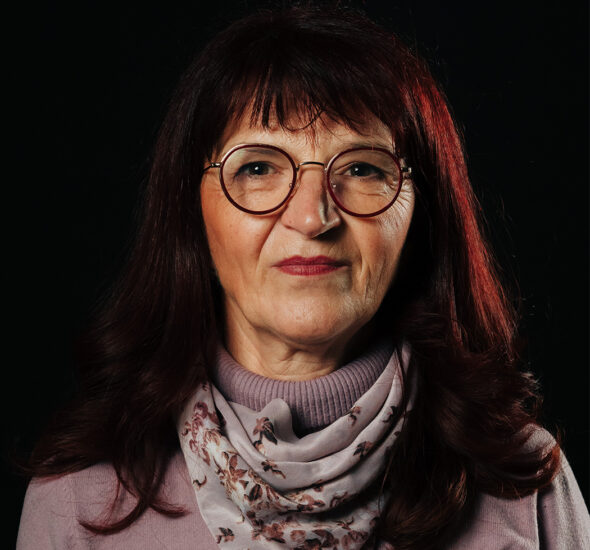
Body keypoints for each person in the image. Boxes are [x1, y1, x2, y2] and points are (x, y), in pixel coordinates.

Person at [16, 6, 589, 549]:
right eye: (258, 167)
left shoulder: (523, 485)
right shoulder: (80, 500)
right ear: (191, 211)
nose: (313, 218)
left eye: (361, 168)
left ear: (422, 213)